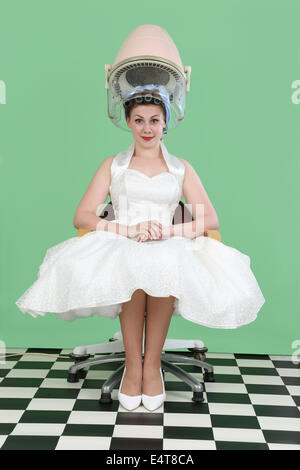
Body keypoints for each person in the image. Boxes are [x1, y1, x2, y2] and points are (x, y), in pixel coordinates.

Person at [16, 86, 265, 412]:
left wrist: (170, 231)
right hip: (123, 238)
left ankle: (152, 367)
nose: (147, 129)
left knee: (163, 260)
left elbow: (209, 217)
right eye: (139, 120)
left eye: (154, 120)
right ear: (128, 122)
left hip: (166, 239)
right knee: (132, 261)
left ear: (165, 123)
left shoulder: (180, 168)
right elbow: (83, 215)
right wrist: (127, 229)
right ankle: (134, 366)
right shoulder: (113, 165)